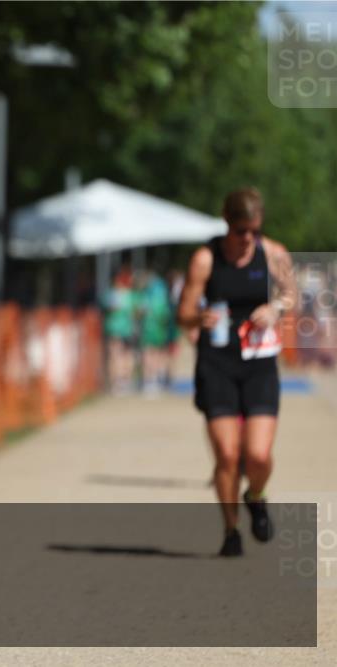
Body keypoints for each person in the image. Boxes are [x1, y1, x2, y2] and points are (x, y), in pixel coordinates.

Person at [177, 188, 296, 557]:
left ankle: (255, 496)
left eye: (255, 231)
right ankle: (231, 531)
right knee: (227, 454)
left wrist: (276, 307)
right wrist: (200, 316)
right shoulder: (205, 259)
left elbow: (291, 294)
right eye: (242, 231)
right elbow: (182, 314)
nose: (248, 239)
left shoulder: (273, 253)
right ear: (227, 223)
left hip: (260, 362)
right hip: (217, 362)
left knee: (257, 455)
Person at [104, 264, 138, 394]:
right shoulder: (130, 295)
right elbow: (137, 311)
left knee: (116, 356)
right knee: (125, 356)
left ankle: (118, 382)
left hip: (117, 330)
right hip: (125, 329)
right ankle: (123, 381)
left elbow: (108, 308)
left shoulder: (112, 294)